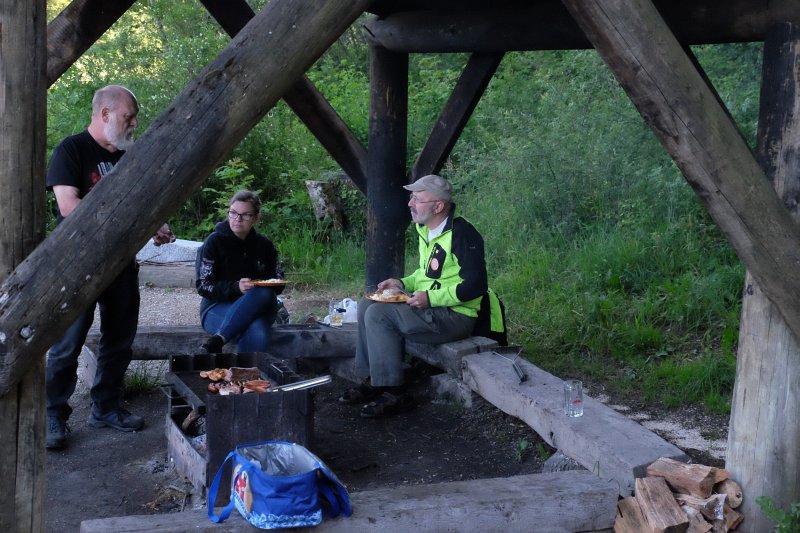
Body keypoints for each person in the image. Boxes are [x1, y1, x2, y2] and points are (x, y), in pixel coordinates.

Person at [46, 84, 175, 450]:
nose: (133, 123)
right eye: (127, 116)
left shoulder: (127, 156)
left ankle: (105, 407)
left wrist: (154, 225)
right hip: (78, 265)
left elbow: (139, 206)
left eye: (133, 117)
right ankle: (53, 414)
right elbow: (69, 208)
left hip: (121, 263)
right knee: (67, 343)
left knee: (119, 341)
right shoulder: (71, 149)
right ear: (105, 114)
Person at [340, 174, 488, 418]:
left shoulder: (462, 234)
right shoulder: (427, 230)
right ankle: (372, 379)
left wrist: (430, 299)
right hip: (435, 308)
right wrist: (402, 282)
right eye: (412, 197)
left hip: (456, 316)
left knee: (379, 314)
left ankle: (394, 392)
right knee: (368, 304)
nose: (410, 203)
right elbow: (427, 273)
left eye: (417, 199)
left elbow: (475, 286)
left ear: (438, 206)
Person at [196, 190, 283, 354]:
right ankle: (247, 377)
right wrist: (236, 287)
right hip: (217, 307)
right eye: (233, 213)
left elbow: (277, 282)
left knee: (264, 293)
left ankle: (219, 340)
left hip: (259, 305)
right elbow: (203, 285)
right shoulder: (213, 242)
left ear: (256, 218)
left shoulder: (264, 245)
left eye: (245, 215)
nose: (238, 219)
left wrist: (268, 282)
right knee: (256, 329)